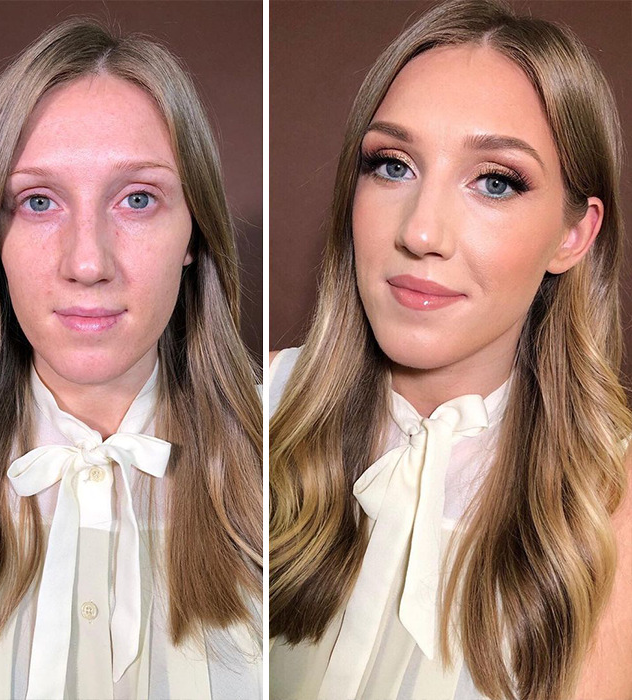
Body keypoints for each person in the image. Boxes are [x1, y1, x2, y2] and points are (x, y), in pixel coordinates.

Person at [269, 1, 632, 698]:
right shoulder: (252, 416)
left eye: (495, 181)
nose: (421, 233)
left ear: (573, 235)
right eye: (393, 166)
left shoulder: (612, 501)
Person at [0, 17, 262, 700]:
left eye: (137, 199)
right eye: (39, 201)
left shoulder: (288, 478)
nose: (87, 263)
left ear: (193, 232)